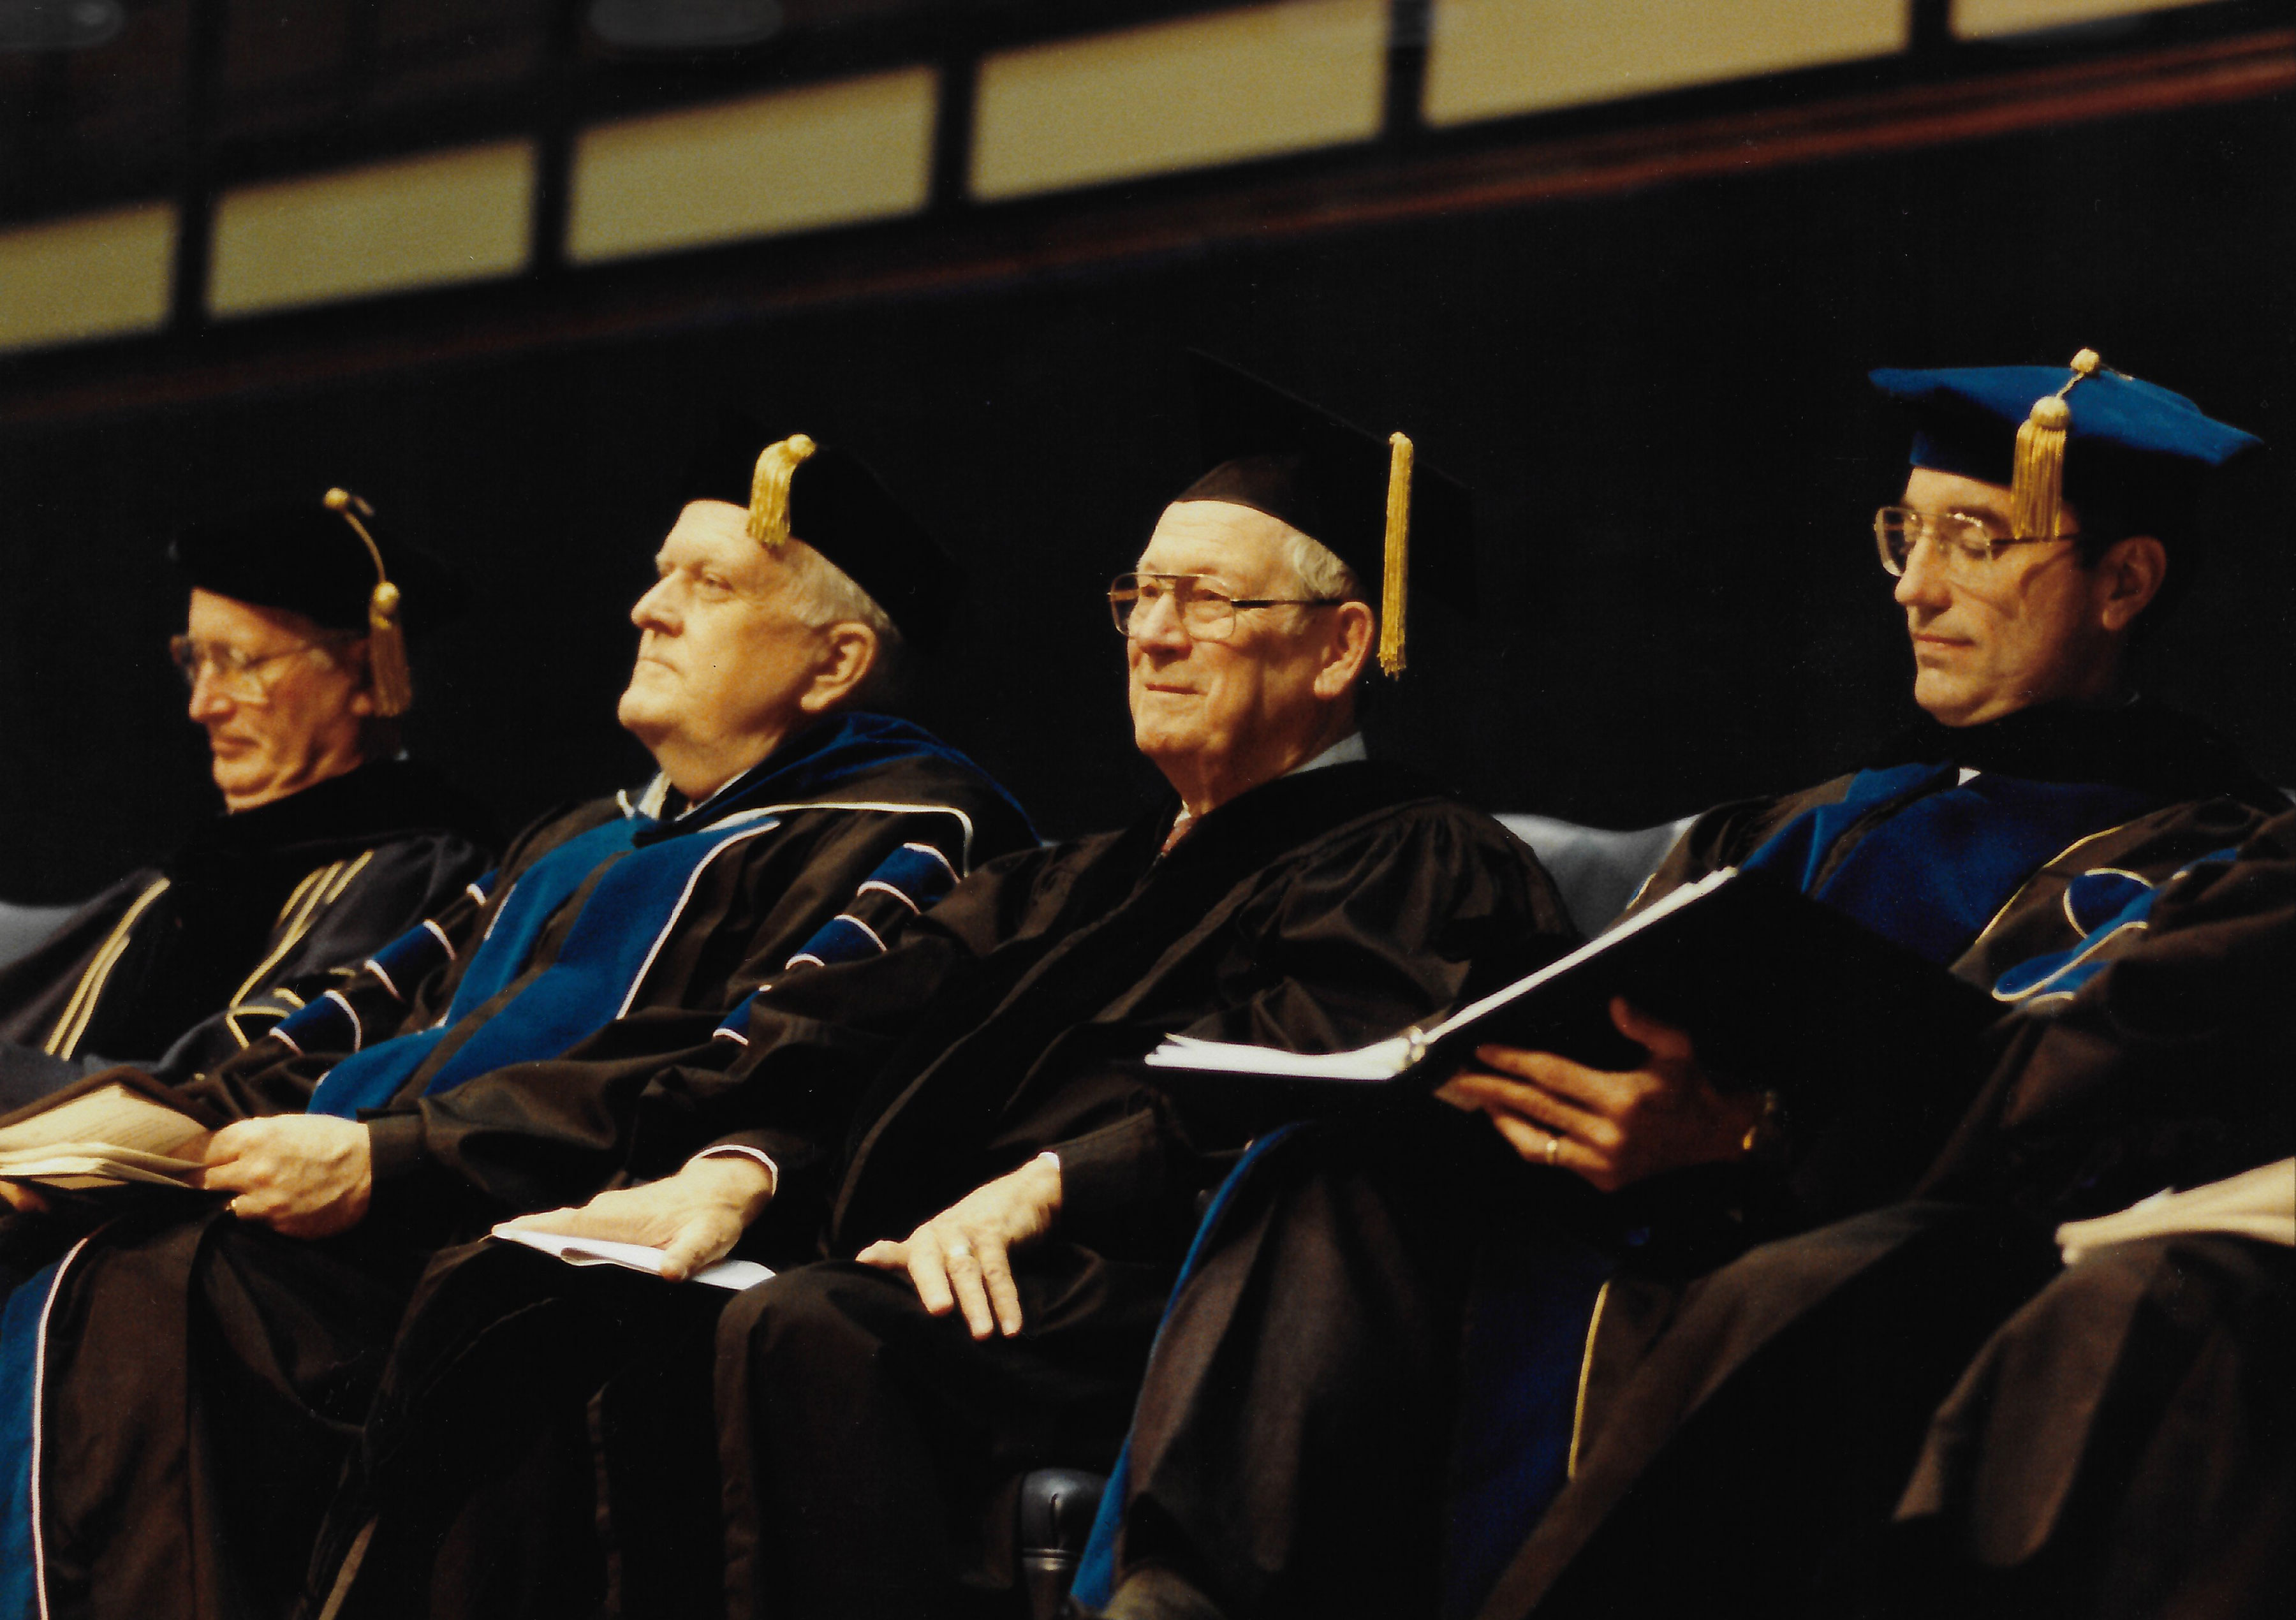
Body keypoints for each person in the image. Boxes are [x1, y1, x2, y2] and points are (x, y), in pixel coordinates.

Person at [296, 357, 1573, 1620]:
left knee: (813, 1332)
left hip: (1157, 1292)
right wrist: (737, 1168)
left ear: (1343, 643)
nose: (1157, 633)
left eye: (1212, 601)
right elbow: (839, 1021)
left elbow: (1318, 1094)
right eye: (1142, 595)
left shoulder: (1413, 855)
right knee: (538, 1291)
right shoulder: (1070, 881)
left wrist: (1051, 1183)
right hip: (937, 1267)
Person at [1082, 350, 2288, 1620]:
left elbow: (2071, 1126)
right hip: (1631, 1208)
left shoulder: (2205, 862)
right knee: (1334, 1169)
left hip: (1864, 1256)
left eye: (1976, 541)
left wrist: (1751, 1144)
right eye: (1906, 534)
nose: (1917, 589)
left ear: (2128, 580)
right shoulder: (1785, 829)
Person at [0, 424, 1036, 1620]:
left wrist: (394, 1157)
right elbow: (353, 1019)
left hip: (558, 1247)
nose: (651, 609)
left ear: (836, 661)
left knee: (158, 1290)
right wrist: (116, 1134)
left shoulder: (917, 831)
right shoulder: (577, 837)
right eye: (659, 575)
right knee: (70, 1244)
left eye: (710, 584)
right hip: (370, 1222)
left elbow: (753, 1073)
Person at [0, 491, 496, 1108]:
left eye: (240, 663)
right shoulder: (193, 874)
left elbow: (242, 1086)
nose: (203, 704)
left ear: (367, 675)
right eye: (196, 660)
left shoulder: (420, 871)